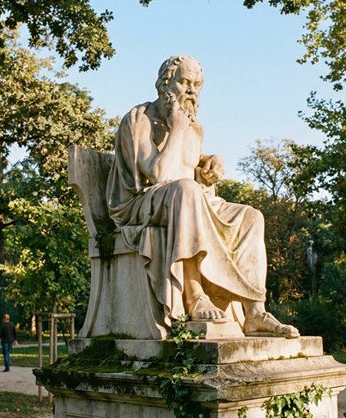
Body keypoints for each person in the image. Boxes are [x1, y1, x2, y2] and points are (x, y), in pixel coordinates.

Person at [106, 55, 298, 338]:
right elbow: (159, 174)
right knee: (186, 190)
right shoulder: (139, 120)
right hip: (139, 203)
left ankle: (255, 311)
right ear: (165, 84)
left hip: (184, 200)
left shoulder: (195, 127)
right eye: (184, 82)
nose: (191, 90)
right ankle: (194, 295)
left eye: (196, 85)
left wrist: (209, 163)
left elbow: (187, 166)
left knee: (250, 217)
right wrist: (177, 128)